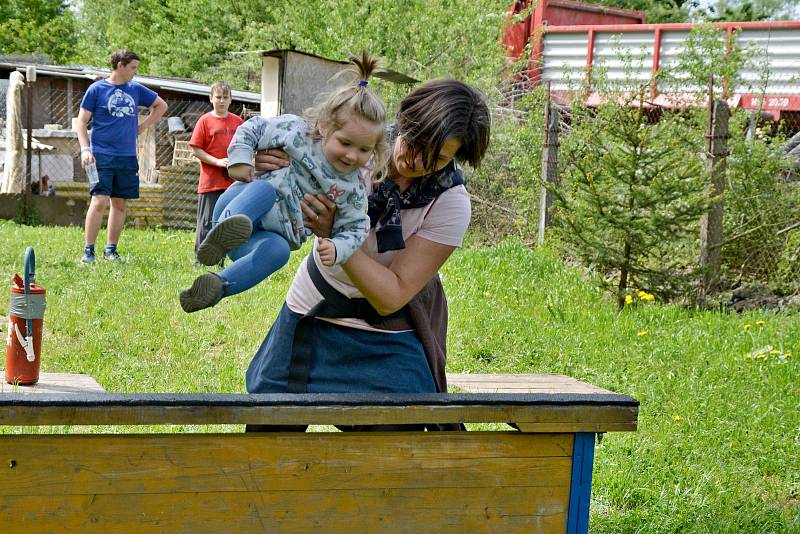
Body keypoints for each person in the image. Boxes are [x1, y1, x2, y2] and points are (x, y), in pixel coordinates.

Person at [244, 79, 491, 431]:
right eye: (416, 142)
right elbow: (285, 142)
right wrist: (264, 159)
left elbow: (391, 295)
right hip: (317, 307)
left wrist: (335, 235)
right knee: (269, 419)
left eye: (437, 158)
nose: (417, 160)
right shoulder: (356, 143)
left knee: (399, 437)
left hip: (390, 328)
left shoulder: (451, 202)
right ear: (405, 121)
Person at [179, 52, 388, 313]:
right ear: (324, 126)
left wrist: (338, 247)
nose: (352, 155)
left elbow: (357, 227)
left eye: (364, 150)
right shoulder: (296, 133)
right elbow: (253, 127)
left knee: (279, 252)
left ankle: (218, 286)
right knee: (265, 191)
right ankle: (221, 235)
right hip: (239, 204)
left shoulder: (352, 188)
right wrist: (241, 158)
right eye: (345, 143)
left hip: (262, 239)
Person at [77, 49, 168, 264]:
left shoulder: (135, 89)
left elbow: (161, 106)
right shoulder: (96, 89)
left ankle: (111, 250)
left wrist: (143, 126)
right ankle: (88, 251)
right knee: (99, 200)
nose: (135, 72)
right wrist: (85, 149)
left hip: (127, 156)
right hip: (101, 156)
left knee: (119, 204)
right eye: (133, 68)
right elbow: (81, 122)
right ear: (120, 65)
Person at [189, 81, 244, 263]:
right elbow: (196, 149)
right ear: (211, 98)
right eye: (218, 97)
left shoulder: (238, 122)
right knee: (206, 223)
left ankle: (219, 260)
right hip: (211, 182)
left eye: (225, 97)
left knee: (226, 222)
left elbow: (247, 146)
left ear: (231, 99)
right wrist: (217, 161)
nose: (221, 101)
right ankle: (201, 260)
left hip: (234, 182)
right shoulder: (205, 121)